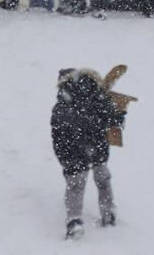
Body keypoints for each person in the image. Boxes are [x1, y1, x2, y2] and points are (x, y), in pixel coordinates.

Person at [51, 67, 123, 239]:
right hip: (97, 143)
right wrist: (119, 115)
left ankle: (74, 222)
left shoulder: (63, 101)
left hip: (72, 147)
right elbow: (112, 118)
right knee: (102, 177)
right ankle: (108, 214)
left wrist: (64, 157)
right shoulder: (98, 93)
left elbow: (58, 130)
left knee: (75, 183)